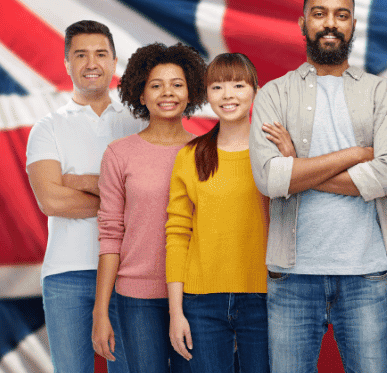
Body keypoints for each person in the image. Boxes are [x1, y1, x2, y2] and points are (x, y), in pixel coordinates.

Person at [248, 0, 387, 373]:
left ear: (353, 24)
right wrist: (356, 154)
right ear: (303, 23)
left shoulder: (382, 93)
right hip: (292, 276)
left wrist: (297, 170)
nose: (330, 23)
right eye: (319, 14)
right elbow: (270, 180)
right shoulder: (273, 93)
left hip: (365, 273)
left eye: (341, 15)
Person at [26, 20, 142, 373]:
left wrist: (78, 181)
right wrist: (120, 200)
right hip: (66, 273)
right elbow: (52, 202)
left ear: (114, 61)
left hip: (129, 271)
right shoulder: (47, 128)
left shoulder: (138, 123)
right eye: (81, 55)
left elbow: (151, 199)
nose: (92, 63)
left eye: (100, 54)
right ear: (66, 63)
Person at [92, 42, 206, 373]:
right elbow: (111, 234)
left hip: (196, 294)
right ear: (141, 95)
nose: (166, 93)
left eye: (177, 84)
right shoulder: (119, 154)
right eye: (155, 85)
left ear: (190, 93)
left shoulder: (206, 152)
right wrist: (101, 311)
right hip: (137, 298)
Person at [166, 53, 269, 372]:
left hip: (266, 296)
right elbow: (177, 234)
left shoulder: (274, 151)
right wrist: (175, 312)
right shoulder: (190, 156)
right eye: (218, 86)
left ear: (255, 90)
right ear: (207, 94)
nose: (228, 95)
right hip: (201, 300)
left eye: (238, 85)